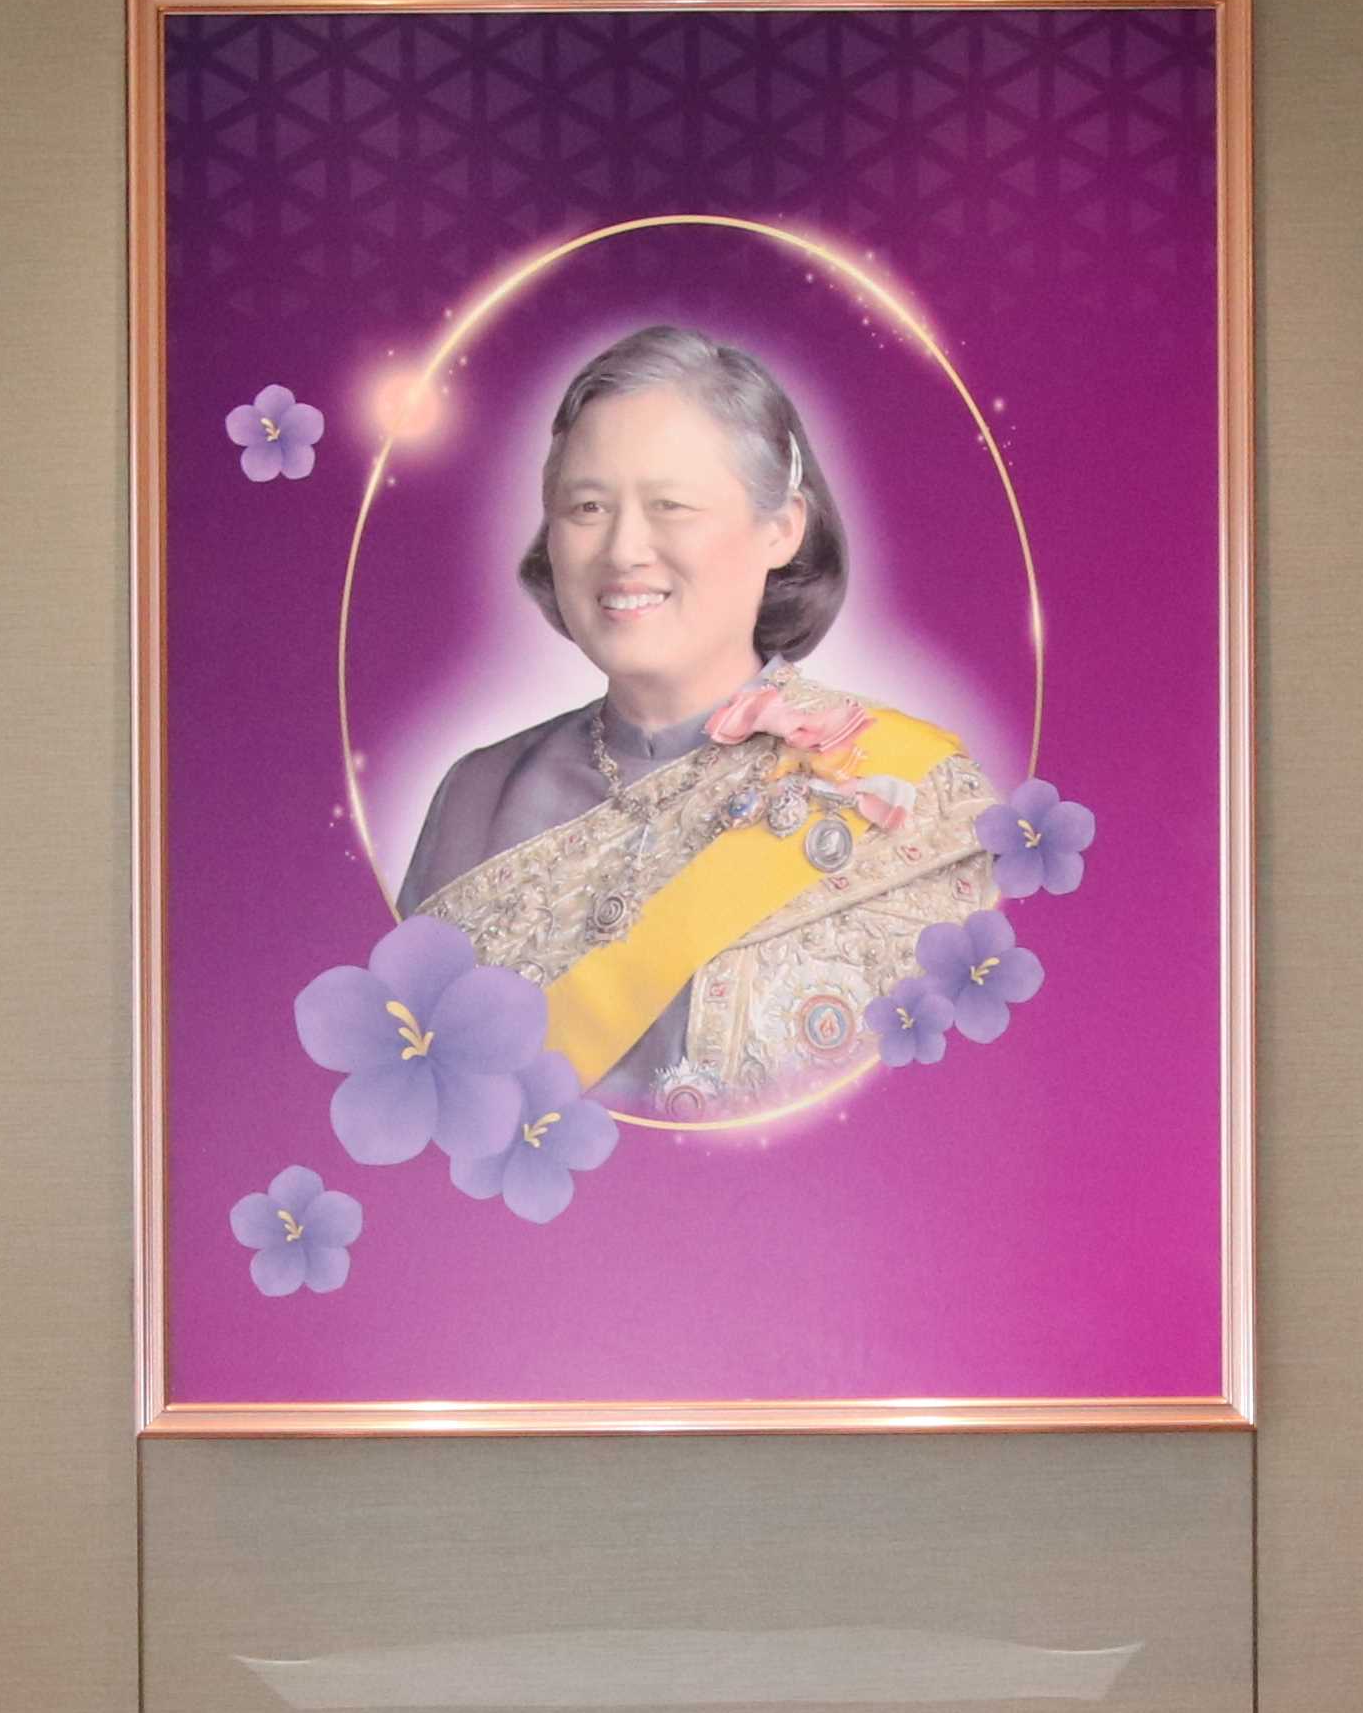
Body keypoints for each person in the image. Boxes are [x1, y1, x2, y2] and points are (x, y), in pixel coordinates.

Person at [393, 323, 1002, 1121]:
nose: (623, 550)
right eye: (586, 506)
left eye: (671, 506)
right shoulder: (474, 794)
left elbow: (966, 1123)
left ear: (781, 528)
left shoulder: (917, 793)